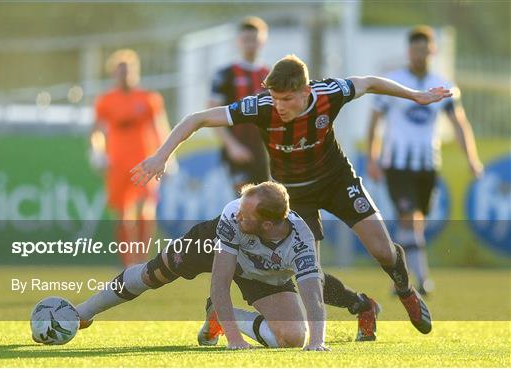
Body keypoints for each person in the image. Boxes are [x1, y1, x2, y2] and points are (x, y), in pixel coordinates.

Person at [130, 54, 453, 335]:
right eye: (275, 98)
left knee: (383, 250)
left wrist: (416, 96)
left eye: (287, 99)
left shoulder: (330, 93)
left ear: (306, 91)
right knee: (308, 272)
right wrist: (161, 156)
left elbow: (368, 83)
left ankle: (406, 290)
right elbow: (196, 119)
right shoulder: (261, 106)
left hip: (337, 181)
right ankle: (361, 305)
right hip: (295, 196)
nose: (279, 106)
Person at [76, 182, 328, 351]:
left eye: (246, 216)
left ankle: (219, 314)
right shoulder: (232, 218)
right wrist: (234, 339)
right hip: (212, 244)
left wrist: (317, 342)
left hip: (262, 272)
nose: (238, 215)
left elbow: (313, 293)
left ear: (268, 226)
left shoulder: (300, 240)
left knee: (293, 338)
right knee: (153, 274)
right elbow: (220, 281)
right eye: (240, 208)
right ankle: (83, 312)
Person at [366, 26, 483, 295]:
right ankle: (419, 279)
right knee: (408, 218)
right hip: (397, 163)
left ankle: (402, 280)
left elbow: (460, 124)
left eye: (424, 49)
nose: (419, 55)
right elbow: (374, 121)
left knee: (417, 221)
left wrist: (472, 159)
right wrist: (373, 157)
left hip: (428, 164)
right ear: (409, 51)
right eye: (414, 49)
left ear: (433, 50)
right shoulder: (394, 82)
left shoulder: (444, 86)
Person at [90, 49, 173, 267]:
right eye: (121, 71)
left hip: (144, 161)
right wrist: (97, 152)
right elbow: (96, 131)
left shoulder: (149, 98)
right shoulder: (105, 101)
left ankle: (142, 259)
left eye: (129, 70)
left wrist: (168, 157)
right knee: (121, 211)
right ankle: (128, 263)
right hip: (117, 163)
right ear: (113, 74)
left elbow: (160, 128)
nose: (125, 75)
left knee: (147, 206)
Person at [209, 16, 271, 192]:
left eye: (255, 40)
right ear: (238, 41)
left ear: (263, 41)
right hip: (236, 150)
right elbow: (212, 113)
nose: (250, 44)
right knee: (244, 202)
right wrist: (232, 146)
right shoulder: (225, 74)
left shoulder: (270, 74)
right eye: (246, 39)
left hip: (263, 151)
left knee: (265, 203)